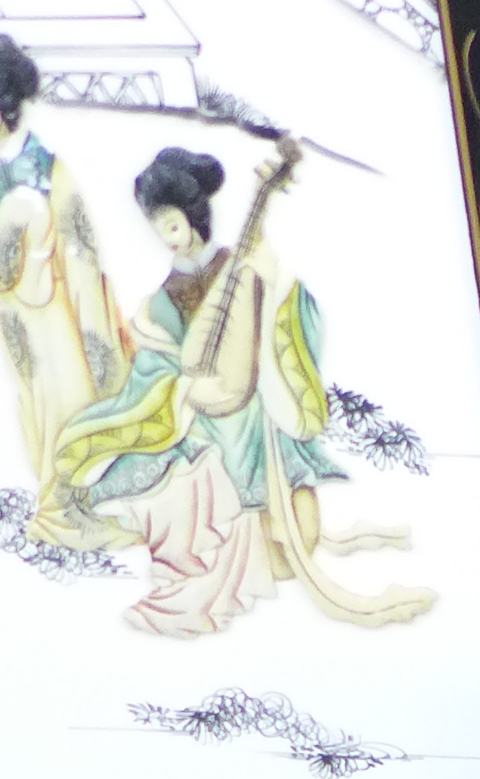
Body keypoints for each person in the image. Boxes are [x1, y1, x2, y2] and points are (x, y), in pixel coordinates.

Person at [46, 141, 430, 635]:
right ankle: (218, 559)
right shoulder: (164, 300)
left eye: (171, 223)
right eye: (157, 226)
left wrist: (274, 293)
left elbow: (290, 318)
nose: (166, 236)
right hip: (196, 409)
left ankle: (271, 526)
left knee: (290, 510)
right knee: (193, 461)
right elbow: (158, 363)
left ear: (194, 216)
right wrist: (181, 392)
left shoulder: (242, 266)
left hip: (252, 403)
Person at [0, 35, 130, 534]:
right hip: (13, 318)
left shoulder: (47, 171)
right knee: (33, 410)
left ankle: (64, 509)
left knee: (65, 401)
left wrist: (99, 342)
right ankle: (54, 509)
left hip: (50, 312)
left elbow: (81, 257)